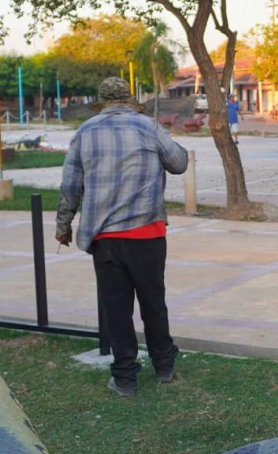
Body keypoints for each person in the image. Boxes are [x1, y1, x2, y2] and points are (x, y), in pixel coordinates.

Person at [55, 77, 189, 398]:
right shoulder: (148, 126)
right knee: (153, 302)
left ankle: (125, 377)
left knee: (117, 308)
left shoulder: (84, 132)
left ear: (102, 103)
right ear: (130, 101)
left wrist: (63, 225)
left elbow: (70, 186)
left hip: (106, 238)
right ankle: (164, 365)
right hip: (148, 233)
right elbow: (179, 163)